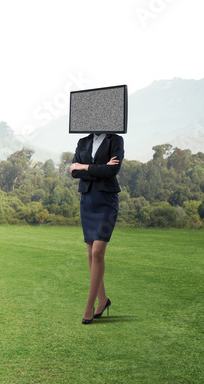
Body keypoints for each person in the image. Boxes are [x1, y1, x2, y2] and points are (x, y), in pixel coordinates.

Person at [69, 131, 124, 324]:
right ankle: (103, 300)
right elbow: (73, 172)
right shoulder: (82, 141)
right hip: (87, 200)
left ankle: (88, 307)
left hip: (107, 201)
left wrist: (84, 166)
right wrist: (98, 168)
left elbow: (111, 172)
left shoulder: (115, 140)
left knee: (98, 252)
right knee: (91, 252)